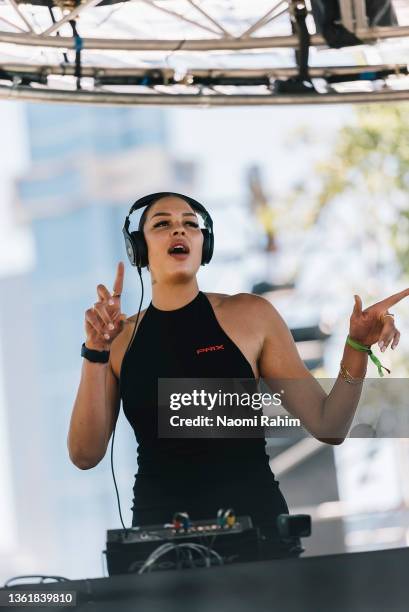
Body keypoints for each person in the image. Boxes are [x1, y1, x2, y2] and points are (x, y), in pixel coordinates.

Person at [68, 192, 404, 559]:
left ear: (203, 243)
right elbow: (84, 454)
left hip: (259, 533)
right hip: (158, 547)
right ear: (139, 248)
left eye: (190, 224)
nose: (178, 229)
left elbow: (329, 425)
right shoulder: (117, 340)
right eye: (162, 223)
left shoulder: (251, 315)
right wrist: (95, 352)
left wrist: (356, 347)